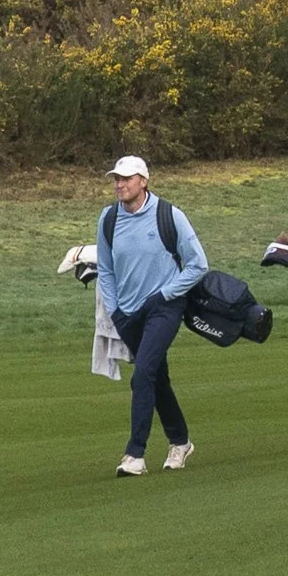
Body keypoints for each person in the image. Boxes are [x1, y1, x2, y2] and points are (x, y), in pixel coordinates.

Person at [96, 154, 208, 477]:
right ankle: (181, 441)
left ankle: (135, 454)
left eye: (126, 178)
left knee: (142, 373)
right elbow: (105, 269)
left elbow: (198, 264)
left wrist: (166, 294)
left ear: (143, 181)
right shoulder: (108, 219)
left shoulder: (168, 214)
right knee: (157, 378)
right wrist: (116, 311)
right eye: (116, 178)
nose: (119, 184)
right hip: (127, 314)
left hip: (164, 306)